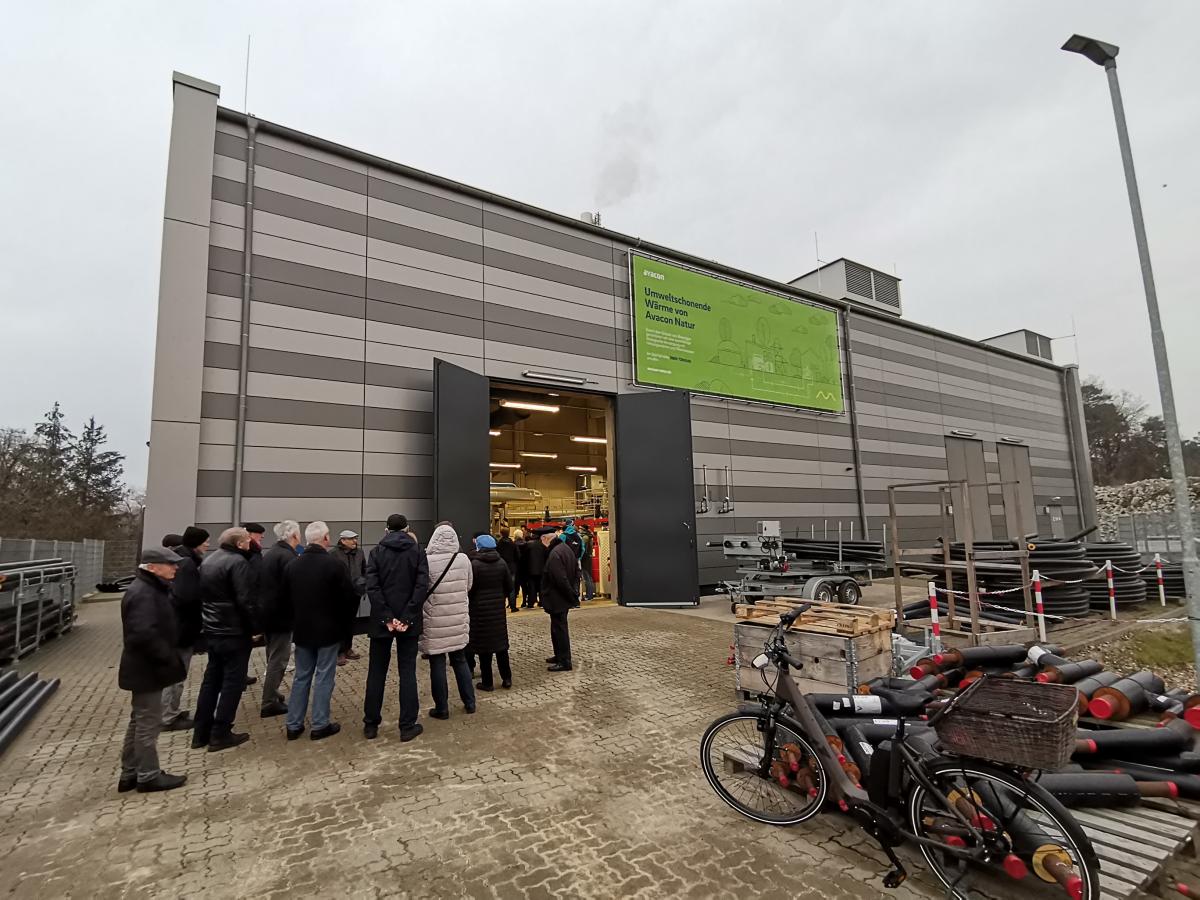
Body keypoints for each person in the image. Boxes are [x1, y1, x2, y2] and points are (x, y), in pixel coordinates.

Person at [118, 547, 189, 793]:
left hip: (144, 668)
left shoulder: (148, 589)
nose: (175, 568)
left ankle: (130, 772)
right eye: (170, 564)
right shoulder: (144, 593)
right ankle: (147, 775)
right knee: (148, 723)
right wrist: (167, 657)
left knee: (139, 721)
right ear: (152, 567)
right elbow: (143, 634)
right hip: (148, 669)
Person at [281, 521, 357, 741]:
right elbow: (346, 599)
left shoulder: (293, 565)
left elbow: (285, 599)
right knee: (324, 676)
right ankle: (319, 724)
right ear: (326, 539)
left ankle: (293, 725)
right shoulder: (334, 565)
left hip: (302, 631)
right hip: (328, 632)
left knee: (301, 677)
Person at [192, 526, 260, 752]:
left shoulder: (209, 561)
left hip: (212, 630)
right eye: (248, 541)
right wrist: (254, 628)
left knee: (211, 680)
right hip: (233, 631)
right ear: (239, 544)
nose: (250, 543)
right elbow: (245, 600)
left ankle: (201, 731)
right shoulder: (238, 563)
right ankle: (221, 732)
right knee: (232, 682)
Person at [363, 514, 429, 742]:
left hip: (381, 623)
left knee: (376, 672)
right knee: (407, 672)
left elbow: (373, 587)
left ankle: (371, 724)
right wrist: (407, 617)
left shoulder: (376, 553)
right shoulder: (417, 552)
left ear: (386, 529)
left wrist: (387, 618)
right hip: (408, 623)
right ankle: (407, 725)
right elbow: (422, 586)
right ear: (407, 528)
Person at [421, 522, 476, 719]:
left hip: (434, 620)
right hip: (458, 618)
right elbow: (469, 585)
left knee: (437, 664)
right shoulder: (463, 559)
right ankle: (470, 702)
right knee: (460, 661)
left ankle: (442, 709)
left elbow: (422, 588)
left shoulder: (427, 560)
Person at [161, 526, 208, 731]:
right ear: (196, 543)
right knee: (176, 673)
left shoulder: (182, 561)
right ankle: (167, 716)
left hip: (177, 627)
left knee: (175, 673)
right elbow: (186, 597)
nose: (208, 544)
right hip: (180, 629)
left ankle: (170, 711)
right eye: (205, 541)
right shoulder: (186, 564)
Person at [257, 520, 300, 718]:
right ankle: (269, 701)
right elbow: (293, 587)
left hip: (268, 615)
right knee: (279, 659)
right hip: (281, 616)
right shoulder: (287, 556)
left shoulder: (272, 553)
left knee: (272, 655)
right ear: (294, 536)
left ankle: (272, 693)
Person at [467, 534, 513, 691]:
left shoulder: (475, 565)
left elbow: (470, 589)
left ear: (479, 547)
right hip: (498, 611)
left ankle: (487, 683)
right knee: (501, 647)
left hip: (479, 612)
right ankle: (506, 678)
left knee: (484, 649)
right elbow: (509, 586)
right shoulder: (502, 563)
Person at [541, 527, 580, 672]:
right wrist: (574, 591)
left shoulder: (555, 553)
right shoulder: (565, 549)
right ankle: (559, 655)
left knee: (560, 629)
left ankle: (564, 661)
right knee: (557, 628)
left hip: (558, 597)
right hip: (562, 597)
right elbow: (577, 571)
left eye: (542, 540)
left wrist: (571, 594)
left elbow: (560, 579)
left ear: (546, 539)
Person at [331, 529, 366, 665]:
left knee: (351, 622)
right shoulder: (333, 554)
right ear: (343, 540)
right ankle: (339, 651)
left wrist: (363, 583)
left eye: (355, 538)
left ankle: (348, 648)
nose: (355, 541)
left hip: (355, 593)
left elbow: (365, 569)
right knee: (340, 623)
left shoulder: (360, 553)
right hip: (339, 596)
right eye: (351, 539)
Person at [240, 522, 266, 687]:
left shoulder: (252, 553)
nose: (262, 537)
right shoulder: (250, 554)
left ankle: (240, 674)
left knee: (244, 645)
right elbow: (252, 583)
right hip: (247, 607)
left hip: (246, 606)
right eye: (259, 534)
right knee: (242, 645)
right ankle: (237, 677)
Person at [520, 525, 548, 609]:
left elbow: (524, 558)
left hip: (530, 569)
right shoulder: (543, 545)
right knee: (541, 586)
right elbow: (546, 557)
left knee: (531, 586)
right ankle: (542, 602)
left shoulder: (528, 545)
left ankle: (531, 603)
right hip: (541, 569)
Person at [495, 527, 519, 612]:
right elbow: (517, 556)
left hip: (501, 567)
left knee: (501, 587)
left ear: (501, 533)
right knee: (511, 588)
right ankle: (513, 606)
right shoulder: (513, 544)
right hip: (512, 567)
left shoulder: (499, 544)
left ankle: (501, 606)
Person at [578, 524, 597, 602]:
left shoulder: (585, 538)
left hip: (585, 559)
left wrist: (579, 558)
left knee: (587, 578)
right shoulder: (588, 536)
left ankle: (589, 596)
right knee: (588, 577)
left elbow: (583, 550)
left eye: (580, 529)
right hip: (588, 558)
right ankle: (590, 595)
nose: (579, 530)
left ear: (583, 529)